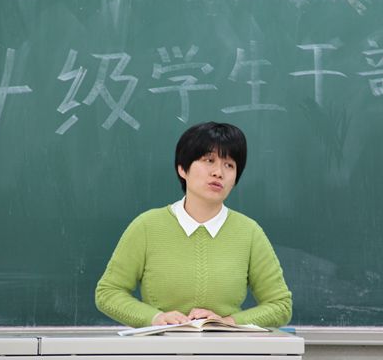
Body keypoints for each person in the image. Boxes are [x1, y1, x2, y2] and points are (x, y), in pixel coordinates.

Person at [95, 121, 292, 328]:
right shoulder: (147, 226)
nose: (218, 172)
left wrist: (227, 322)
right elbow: (108, 292)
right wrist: (154, 318)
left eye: (229, 165)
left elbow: (280, 305)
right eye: (209, 160)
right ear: (182, 168)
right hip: (160, 344)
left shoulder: (249, 232)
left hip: (227, 345)